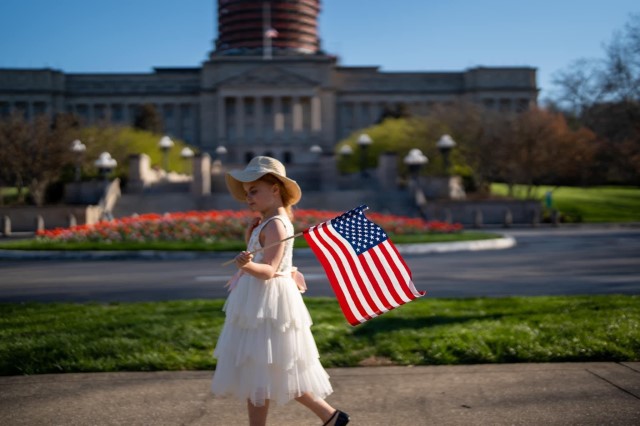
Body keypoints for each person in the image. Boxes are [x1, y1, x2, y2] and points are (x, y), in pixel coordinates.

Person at [211, 156, 350, 426]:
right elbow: (263, 258)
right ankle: (331, 417)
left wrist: (246, 266)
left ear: (275, 190)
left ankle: (329, 416)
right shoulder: (267, 221)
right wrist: (249, 242)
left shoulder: (276, 223)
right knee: (265, 369)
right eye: (247, 192)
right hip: (258, 300)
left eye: (254, 190)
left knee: (264, 369)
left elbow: (270, 270)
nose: (248, 197)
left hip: (268, 302)